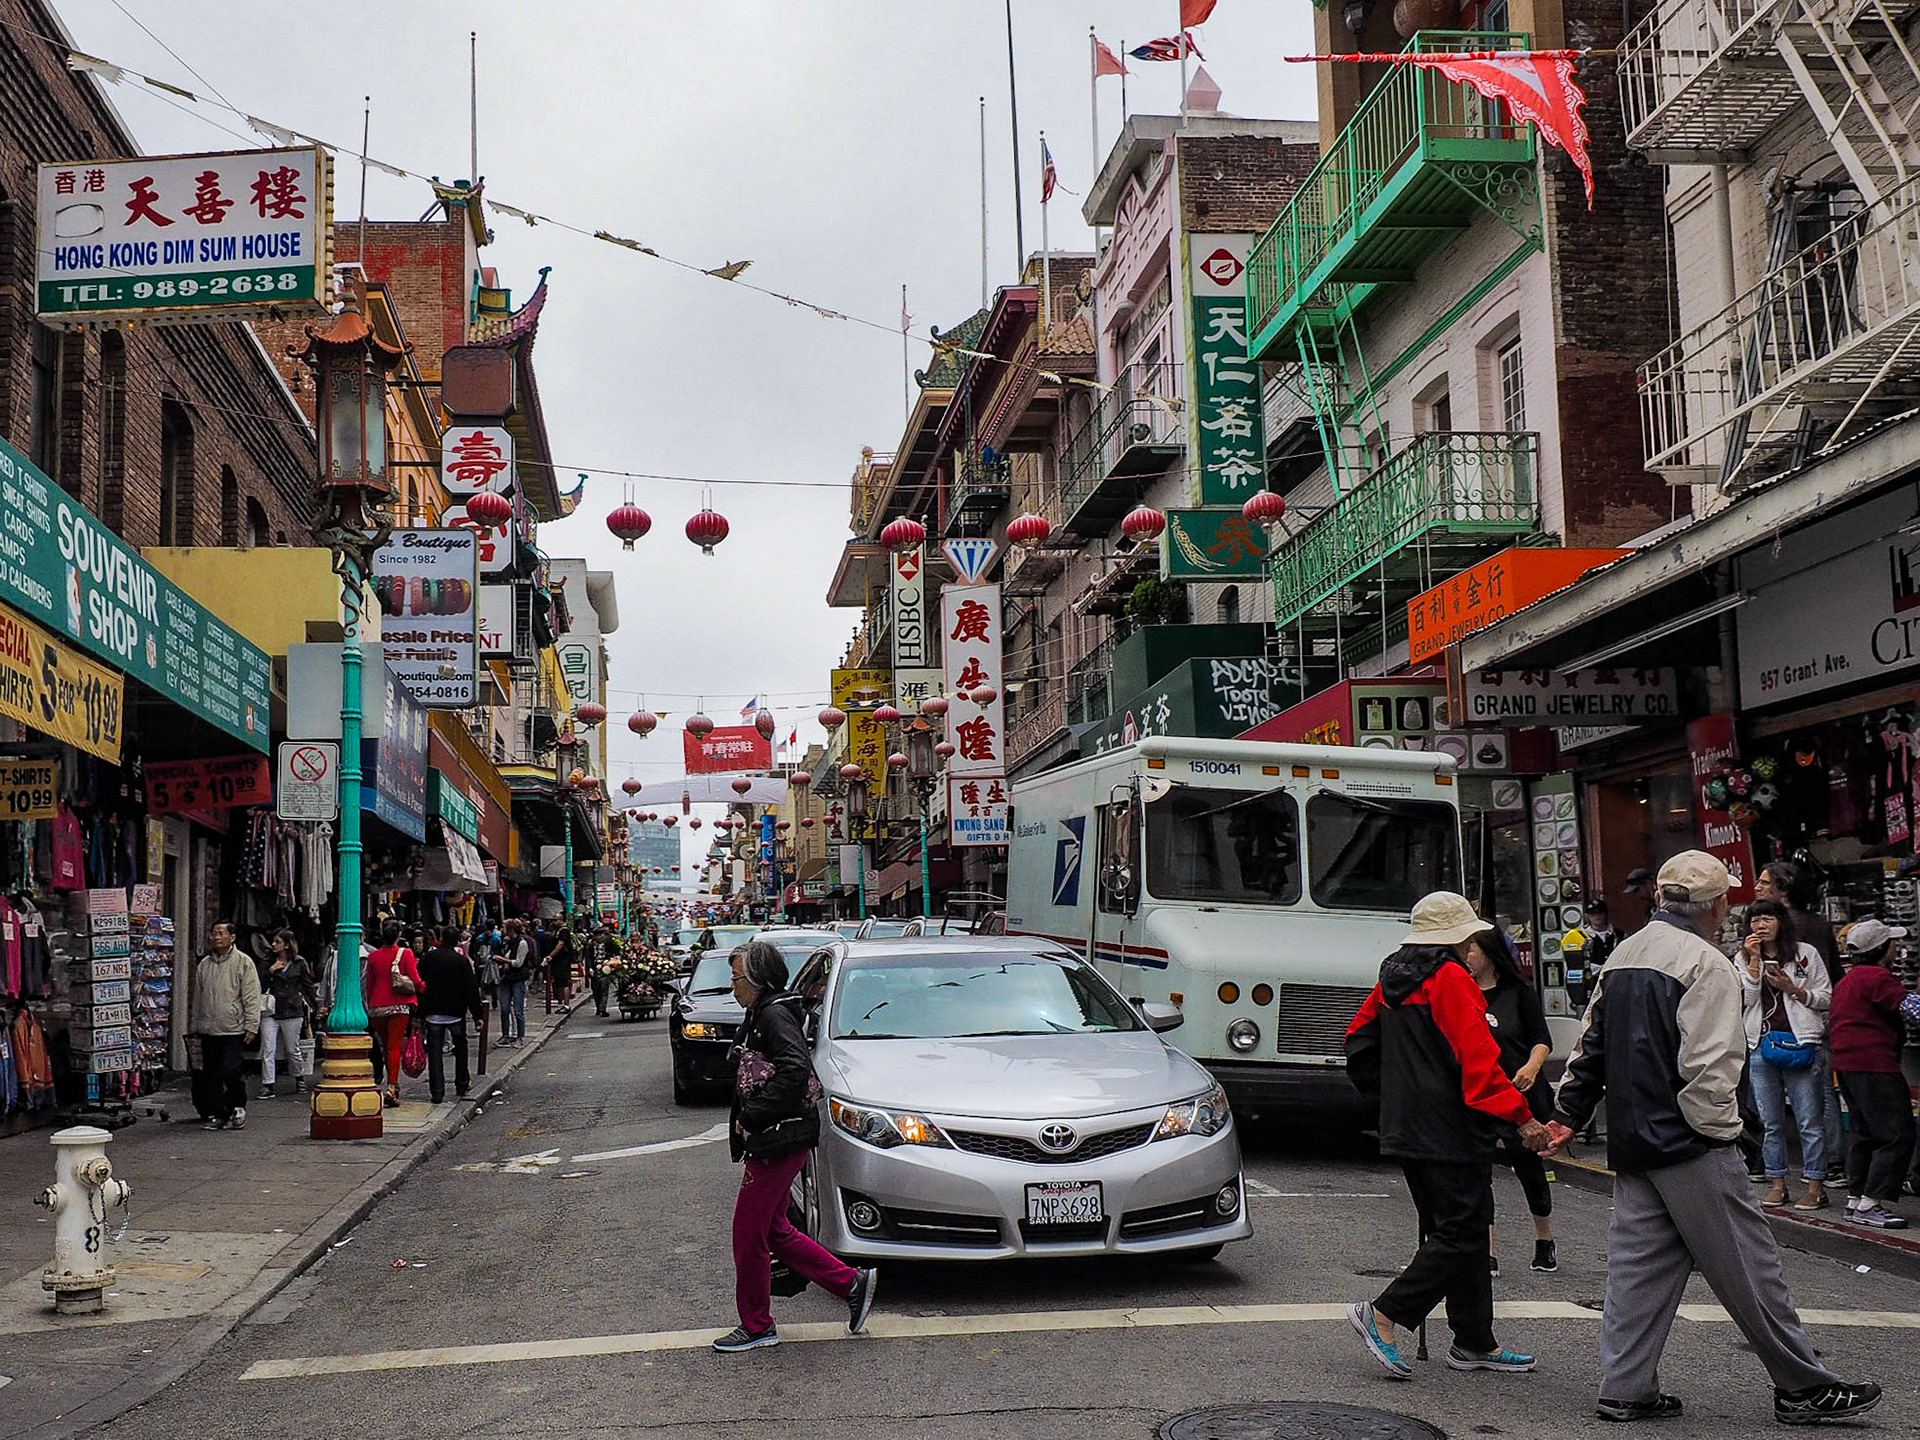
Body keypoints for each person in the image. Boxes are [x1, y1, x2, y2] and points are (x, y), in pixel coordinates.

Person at [1547, 851, 1879, 1426]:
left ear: (1661, 899)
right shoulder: (1705, 962)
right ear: (1718, 906)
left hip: (1635, 1139)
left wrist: (1570, 1114)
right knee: (1751, 1267)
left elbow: (1590, 1045)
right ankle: (1801, 1387)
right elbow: (1710, 1068)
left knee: (1637, 1268)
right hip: (1689, 1142)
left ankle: (1625, 1387)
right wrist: (1724, 1136)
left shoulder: (1625, 953)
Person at [1343, 892, 1549, 1380]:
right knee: (1464, 1230)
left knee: (1459, 1230)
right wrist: (1523, 1118)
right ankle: (1386, 1313)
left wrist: (1393, 1094)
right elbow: (1480, 1063)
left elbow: (1358, 1043)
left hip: (1406, 1122)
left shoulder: (1392, 975)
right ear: (1461, 936)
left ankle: (1475, 1339)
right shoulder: (1451, 977)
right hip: (1452, 1126)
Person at [715, 940, 876, 1353]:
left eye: (736, 977)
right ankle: (850, 1283)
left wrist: (754, 1114)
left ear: (756, 980)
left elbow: (793, 1071)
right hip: (778, 1135)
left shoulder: (773, 1014)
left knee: (748, 1235)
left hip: (779, 1137)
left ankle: (757, 1325)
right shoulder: (765, 1010)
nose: (732, 986)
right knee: (776, 1230)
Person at [1463, 926, 1558, 1275]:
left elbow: (1540, 1038)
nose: (1467, 956)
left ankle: (1544, 1240)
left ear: (1489, 953)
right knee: (1479, 1174)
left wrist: (1532, 1066)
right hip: (1482, 1096)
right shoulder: (1464, 991)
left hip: (1521, 1095)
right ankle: (1487, 1250)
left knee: (1529, 1169)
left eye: (1471, 950)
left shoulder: (1519, 992)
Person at [1740, 898, 1832, 1210]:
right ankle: (1777, 1182)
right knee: (1770, 1120)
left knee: (1809, 1119)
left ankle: (1816, 1185)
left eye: (1767, 919)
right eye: (1755, 920)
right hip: (1762, 1044)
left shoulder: (1805, 954)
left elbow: (1826, 997)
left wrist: (1793, 988)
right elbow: (1747, 1000)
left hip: (1802, 1042)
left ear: (1781, 921)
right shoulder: (1741, 958)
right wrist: (1753, 963)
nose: (1761, 926)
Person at [1756, 860, 1844, 1175]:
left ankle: (1824, 1165)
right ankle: (1829, 1163)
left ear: (1784, 888)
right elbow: (1834, 976)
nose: (1757, 888)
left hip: (1796, 1020)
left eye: (1765, 883)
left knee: (1801, 1102)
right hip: (1810, 1018)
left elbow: (1820, 980)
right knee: (1819, 1095)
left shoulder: (1794, 930)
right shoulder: (1819, 924)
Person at [1828, 919, 1913, 1229]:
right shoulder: (1878, 978)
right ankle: (1872, 1202)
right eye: (1891, 943)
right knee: (1896, 1133)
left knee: (1865, 1133)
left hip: (1847, 1064)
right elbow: (1912, 1010)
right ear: (1880, 949)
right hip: (1874, 1064)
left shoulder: (1848, 980)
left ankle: (1856, 1199)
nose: (1896, 947)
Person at [190, 920, 262, 1132]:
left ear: (232, 937)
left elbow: (251, 996)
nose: (217, 937)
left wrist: (251, 1024)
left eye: (221, 933)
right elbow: (198, 997)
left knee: (231, 1069)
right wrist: (196, 1024)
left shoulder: (243, 963)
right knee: (211, 1073)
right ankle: (218, 1112)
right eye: (214, 933)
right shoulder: (205, 965)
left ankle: (237, 1106)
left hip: (234, 1027)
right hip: (209, 1028)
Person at [417, 923, 484, 1105]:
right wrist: (477, 1015)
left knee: (435, 1052)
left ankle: (437, 1091)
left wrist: (418, 1013)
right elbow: (471, 989)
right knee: (460, 1047)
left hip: (433, 1012)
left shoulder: (428, 958)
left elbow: (419, 985)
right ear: (456, 941)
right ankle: (461, 1083)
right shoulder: (461, 961)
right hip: (455, 1012)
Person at [363, 919, 423, 1107]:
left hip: (377, 1006)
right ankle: (392, 1085)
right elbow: (415, 979)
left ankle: (391, 1083)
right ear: (398, 935)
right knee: (394, 1046)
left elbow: (369, 985)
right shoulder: (406, 954)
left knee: (386, 1046)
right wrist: (423, 987)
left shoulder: (373, 957)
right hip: (399, 1005)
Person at [255, 929, 316, 1099]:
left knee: (292, 1048)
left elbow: (307, 985)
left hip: (291, 1009)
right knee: (268, 1047)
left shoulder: (299, 963)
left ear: (287, 944)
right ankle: (268, 1084)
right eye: (273, 941)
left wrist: (317, 1005)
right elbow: (259, 984)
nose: (273, 945)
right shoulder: (267, 962)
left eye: (277, 941)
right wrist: (271, 971)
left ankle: (299, 1077)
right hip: (271, 1008)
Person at [496, 919, 533, 1047]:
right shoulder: (508, 943)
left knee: (518, 1010)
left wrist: (503, 960)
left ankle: (520, 1036)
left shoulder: (522, 943)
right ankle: (506, 1035)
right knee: (504, 1008)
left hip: (517, 978)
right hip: (506, 978)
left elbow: (518, 962)